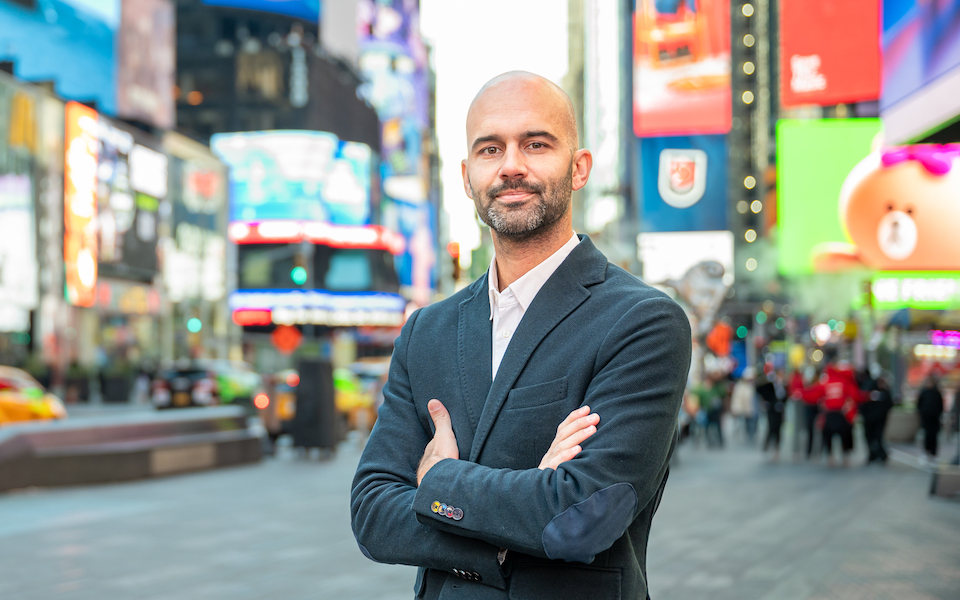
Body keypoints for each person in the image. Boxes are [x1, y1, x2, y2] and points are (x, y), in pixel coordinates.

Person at [350, 71, 692, 600]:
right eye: (491, 148)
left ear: (578, 168)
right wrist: (518, 522)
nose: (512, 165)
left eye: (536, 144)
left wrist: (438, 481)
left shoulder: (643, 322)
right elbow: (372, 510)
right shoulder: (427, 331)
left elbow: (584, 517)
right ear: (467, 177)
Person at [860, 375, 893, 464]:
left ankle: (881, 455)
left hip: (879, 420)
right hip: (870, 420)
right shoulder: (868, 392)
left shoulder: (885, 392)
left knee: (878, 437)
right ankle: (874, 454)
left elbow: (889, 404)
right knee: (870, 437)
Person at [756, 368, 787, 462]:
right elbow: (759, 388)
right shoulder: (770, 385)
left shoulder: (783, 386)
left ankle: (776, 447)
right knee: (771, 427)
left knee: (779, 428)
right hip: (772, 409)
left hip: (780, 410)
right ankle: (767, 444)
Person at [917, 375, 944, 464]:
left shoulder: (936, 392)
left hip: (934, 418)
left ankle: (933, 453)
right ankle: (926, 451)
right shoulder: (924, 392)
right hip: (926, 417)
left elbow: (940, 405)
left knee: (934, 436)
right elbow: (919, 404)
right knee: (927, 435)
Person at [730, 367, 757, 444]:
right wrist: (736, 410)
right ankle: (748, 437)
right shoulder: (740, 386)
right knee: (745, 424)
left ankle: (751, 436)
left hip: (752, 409)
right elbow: (737, 399)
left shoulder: (753, 386)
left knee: (752, 424)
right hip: (744, 409)